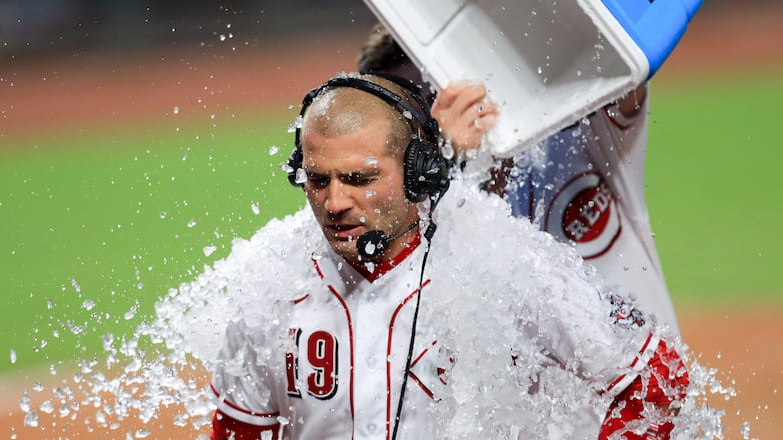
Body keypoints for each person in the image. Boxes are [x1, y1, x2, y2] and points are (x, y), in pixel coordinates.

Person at [205, 72, 689, 439]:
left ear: (419, 174)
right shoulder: (269, 290)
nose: (334, 203)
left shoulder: (498, 260)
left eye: (360, 179)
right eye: (317, 179)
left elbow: (657, 376)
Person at [357, 24, 680, 334]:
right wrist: (443, 156)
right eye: (418, 108)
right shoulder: (404, 212)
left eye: (442, 92)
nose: (442, 112)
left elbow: (625, 61)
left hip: (652, 383)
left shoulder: (577, 140)